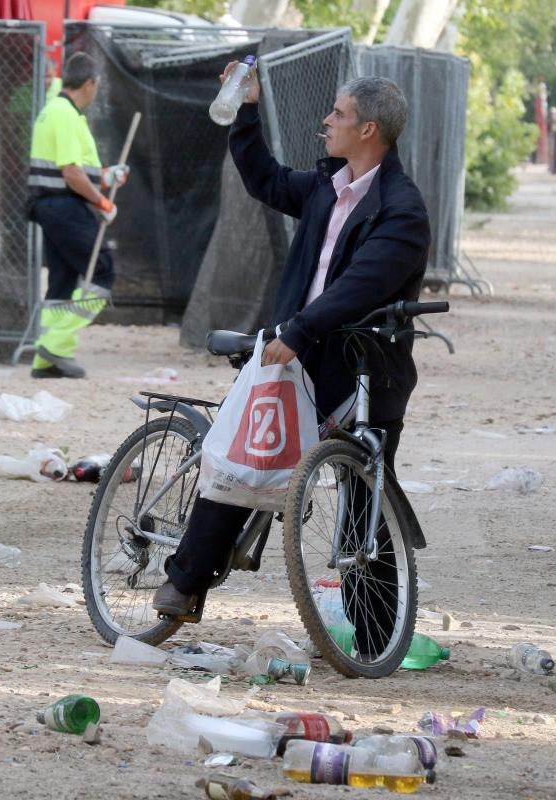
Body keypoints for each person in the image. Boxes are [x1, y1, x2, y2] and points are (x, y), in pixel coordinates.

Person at [153, 66, 431, 616]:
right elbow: (265, 179)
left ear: (369, 129)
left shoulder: (402, 208)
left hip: (364, 368)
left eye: (339, 114)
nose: (326, 121)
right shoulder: (327, 189)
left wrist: (301, 330)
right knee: (245, 463)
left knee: (367, 494)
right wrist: (247, 110)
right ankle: (185, 584)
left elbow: (363, 284)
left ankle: (374, 638)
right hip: (297, 355)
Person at [27, 51, 129, 378]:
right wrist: (103, 202)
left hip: (50, 205)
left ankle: (45, 362)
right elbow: (71, 173)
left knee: (63, 279)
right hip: (64, 206)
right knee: (102, 272)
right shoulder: (66, 115)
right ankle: (55, 344)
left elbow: (74, 169)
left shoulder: (54, 110)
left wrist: (106, 175)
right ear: (90, 83)